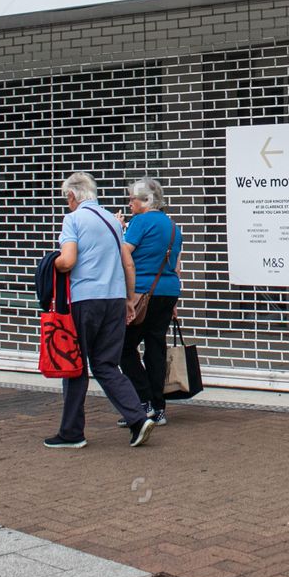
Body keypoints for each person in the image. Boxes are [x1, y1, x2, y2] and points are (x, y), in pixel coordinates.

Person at [46, 172, 155, 449]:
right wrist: (129, 300)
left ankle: (72, 433)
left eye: (66, 198)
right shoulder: (112, 220)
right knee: (107, 364)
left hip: (86, 300)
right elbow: (127, 264)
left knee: (75, 366)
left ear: (72, 195)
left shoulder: (73, 219)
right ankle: (138, 418)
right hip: (115, 299)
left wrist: (51, 264)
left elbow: (68, 261)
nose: (66, 203)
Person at [118, 177, 183, 427]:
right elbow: (175, 265)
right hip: (168, 292)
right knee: (156, 347)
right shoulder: (173, 226)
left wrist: (118, 229)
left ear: (145, 201)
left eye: (132, 199)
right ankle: (159, 408)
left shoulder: (140, 222)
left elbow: (125, 254)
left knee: (124, 347)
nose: (130, 203)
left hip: (143, 293)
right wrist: (174, 303)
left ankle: (143, 401)